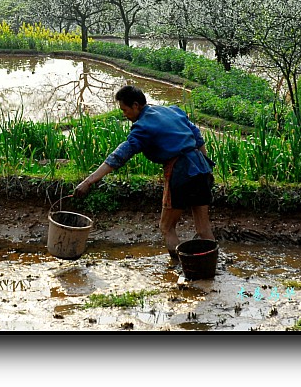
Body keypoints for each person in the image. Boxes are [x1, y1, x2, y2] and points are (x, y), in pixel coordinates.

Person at [73, 85, 215, 265]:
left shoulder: (143, 127)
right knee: (203, 228)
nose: (124, 114)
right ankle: (211, 267)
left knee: (166, 227)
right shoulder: (172, 111)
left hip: (180, 172)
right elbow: (198, 137)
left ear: (135, 105)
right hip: (201, 167)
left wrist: (89, 181)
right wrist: (206, 167)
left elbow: (119, 156)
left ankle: (181, 267)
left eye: (125, 110)